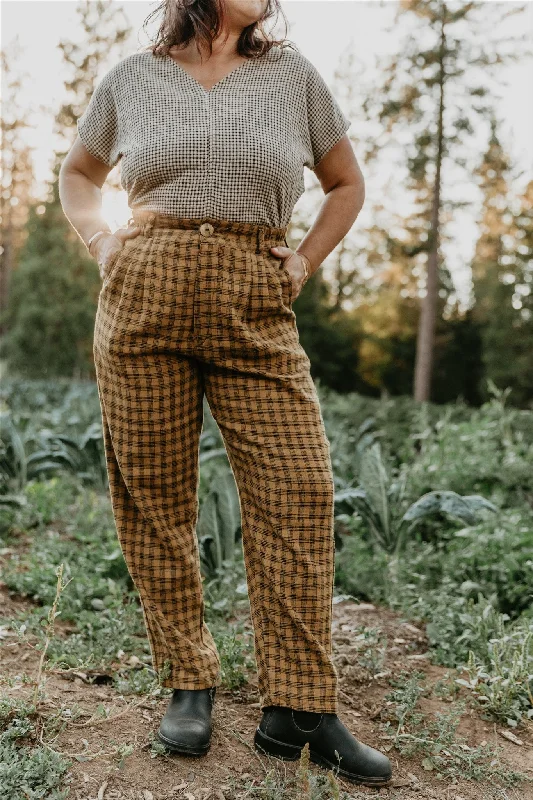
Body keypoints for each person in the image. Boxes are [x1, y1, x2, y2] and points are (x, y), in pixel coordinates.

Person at [59, 0, 392, 787]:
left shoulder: (292, 78)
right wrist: (101, 238)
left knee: (298, 491)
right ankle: (188, 680)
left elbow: (345, 184)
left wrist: (305, 259)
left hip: (254, 296)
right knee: (154, 496)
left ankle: (298, 710)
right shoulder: (131, 80)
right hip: (145, 293)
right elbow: (78, 173)